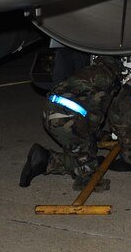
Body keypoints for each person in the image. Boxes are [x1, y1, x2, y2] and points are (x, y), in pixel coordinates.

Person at [18, 56, 122, 190]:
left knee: (82, 152)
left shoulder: (87, 72)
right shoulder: (106, 80)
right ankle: (86, 182)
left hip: (50, 112)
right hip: (67, 119)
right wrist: (94, 135)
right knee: (87, 160)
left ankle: (43, 160)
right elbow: (96, 114)